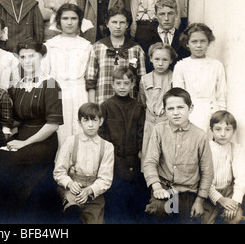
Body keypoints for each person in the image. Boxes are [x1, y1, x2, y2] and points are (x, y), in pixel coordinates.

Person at [0, 39, 63, 223]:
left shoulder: (51, 84)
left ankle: (19, 216)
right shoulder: (18, 85)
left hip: (43, 140)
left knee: (9, 164)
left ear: (41, 56)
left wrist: (24, 143)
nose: (27, 61)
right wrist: (5, 135)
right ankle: (1, 216)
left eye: (32, 56)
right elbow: (17, 119)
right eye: (23, 57)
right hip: (22, 136)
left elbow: (53, 124)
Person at [143, 87, 214, 224]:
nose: (176, 113)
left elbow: (207, 171)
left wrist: (200, 200)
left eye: (180, 107)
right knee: (159, 209)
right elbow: (150, 161)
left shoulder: (200, 136)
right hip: (165, 189)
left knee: (188, 219)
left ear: (190, 108)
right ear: (164, 110)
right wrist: (157, 187)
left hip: (189, 192)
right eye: (170, 109)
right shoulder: (159, 130)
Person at [98, 66, 147, 223]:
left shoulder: (138, 106)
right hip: (113, 159)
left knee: (133, 197)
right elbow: (102, 132)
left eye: (126, 83)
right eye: (118, 83)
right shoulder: (106, 106)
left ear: (132, 84)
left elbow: (141, 131)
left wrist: (140, 151)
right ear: (112, 84)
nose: (122, 87)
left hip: (133, 158)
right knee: (115, 197)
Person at [53, 102, 114, 224]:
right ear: (79, 122)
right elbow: (59, 172)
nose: (90, 125)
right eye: (86, 120)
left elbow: (105, 179)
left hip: (93, 194)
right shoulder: (70, 142)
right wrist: (69, 183)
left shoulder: (107, 147)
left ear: (101, 121)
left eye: (94, 120)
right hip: (71, 191)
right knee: (70, 217)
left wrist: (89, 191)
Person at [43, 4, 92, 152]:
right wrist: (49, 101)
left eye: (73, 18)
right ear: (58, 21)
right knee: (60, 131)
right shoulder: (50, 45)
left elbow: (90, 76)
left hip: (79, 92)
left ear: (79, 21)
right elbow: (46, 76)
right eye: (65, 18)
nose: (69, 22)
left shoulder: (87, 46)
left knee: (80, 129)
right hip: (58, 93)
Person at [85, 6, 146, 106]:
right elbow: (91, 80)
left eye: (122, 22)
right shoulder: (97, 47)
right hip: (103, 102)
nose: (118, 26)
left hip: (129, 106)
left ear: (127, 25)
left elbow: (142, 81)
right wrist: (93, 106)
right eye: (114, 22)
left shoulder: (136, 49)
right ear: (107, 24)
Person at [172, 23, 227, 132]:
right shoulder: (181, 66)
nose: (198, 45)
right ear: (187, 44)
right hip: (190, 113)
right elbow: (178, 95)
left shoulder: (216, 65)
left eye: (203, 41)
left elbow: (221, 94)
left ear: (208, 42)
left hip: (212, 111)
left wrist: (221, 116)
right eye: (194, 42)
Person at [201, 111, 245, 224]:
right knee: (206, 221)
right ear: (211, 130)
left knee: (235, 217)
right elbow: (203, 179)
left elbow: (241, 178)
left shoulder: (236, 149)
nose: (223, 134)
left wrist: (234, 202)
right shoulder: (206, 149)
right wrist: (220, 199)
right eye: (218, 129)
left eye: (228, 129)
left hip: (229, 193)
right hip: (208, 194)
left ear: (233, 131)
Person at [138, 42, 177, 169]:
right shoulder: (145, 79)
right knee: (150, 158)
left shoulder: (174, 78)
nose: (160, 63)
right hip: (150, 125)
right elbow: (142, 102)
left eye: (165, 60)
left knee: (167, 158)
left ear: (171, 60)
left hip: (167, 123)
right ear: (150, 59)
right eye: (157, 59)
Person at [135, 0, 188, 73]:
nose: (166, 18)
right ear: (156, 15)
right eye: (162, 14)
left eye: (170, 14)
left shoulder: (183, 38)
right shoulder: (144, 37)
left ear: (176, 14)